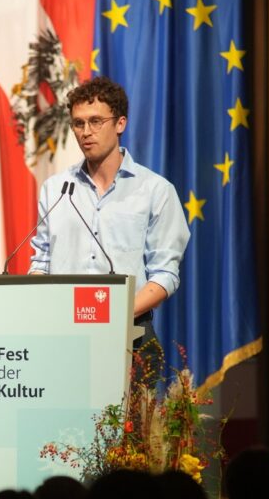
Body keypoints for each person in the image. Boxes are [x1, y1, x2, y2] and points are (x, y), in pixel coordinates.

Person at [29, 76, 190, 374]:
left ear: (120, 124)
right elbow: (41, 261)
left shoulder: (155, 190)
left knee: (131, 423)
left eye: (95, 121)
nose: (86, 132)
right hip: (63, 337)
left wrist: (110, 315)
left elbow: (165, 275)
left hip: (131, 338)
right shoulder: (55, 190)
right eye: (78, 123)